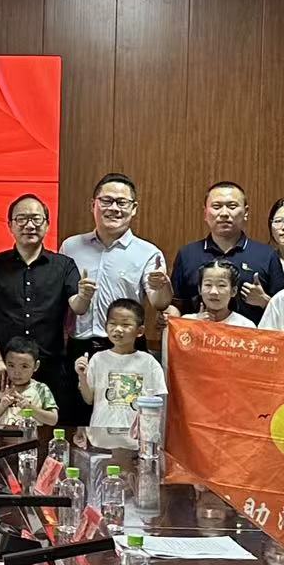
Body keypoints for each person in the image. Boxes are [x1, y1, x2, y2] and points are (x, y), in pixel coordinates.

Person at [58, 173, 174, 424]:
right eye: (106, 201)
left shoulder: (147, 252)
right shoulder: (71, 247)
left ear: (134, 208)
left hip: (126, 350)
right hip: (80, 347)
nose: (114, 208)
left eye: (122, 202)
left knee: (124, 422)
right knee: (77, 424)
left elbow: (159, 302)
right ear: (93, 204)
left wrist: (163, 286)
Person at [0, 193, 84, 407]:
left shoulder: (64, 265)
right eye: (21, 219)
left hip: (50, 366)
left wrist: (85, 295)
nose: (29, 225)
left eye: (36, 219)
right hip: (5, 368)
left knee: (50, 423)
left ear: (47, 224)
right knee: (2, 423)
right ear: (10, 225)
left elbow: (77, 307)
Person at [171, 182, 284, 323]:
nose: (224, 213)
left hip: (251, 335)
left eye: (232, 206)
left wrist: (264, 300)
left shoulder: (267, 255)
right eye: (217, 207)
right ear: (205, 213)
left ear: (246, 212)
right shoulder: (187, 255)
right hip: (199, 335)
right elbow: (176, 305)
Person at [75, 298, 163, 430]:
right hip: (102, 430)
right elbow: (88, 399)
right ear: (106, 327)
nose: (118, 329)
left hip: (137, 433)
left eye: (125, 325)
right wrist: (82, 376)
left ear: (140, 331)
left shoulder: (149, 362)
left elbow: (159, 400)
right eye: (113, 323)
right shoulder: (98, 359)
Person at [0, 335, 58, 427]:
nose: (17, 372)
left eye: (24, 366)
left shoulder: (41, 389)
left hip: (32, 435)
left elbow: (53, 420)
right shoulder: (1, 386)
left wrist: (30, 408)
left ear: (36, 366)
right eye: (11, 365)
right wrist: (1, 406)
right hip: (4, 435)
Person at [184, 260, 257, 328]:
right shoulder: (185, 322)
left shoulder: (246, 326)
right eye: (208, 285)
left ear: (233, 291)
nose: (213, 291)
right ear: (199, 289)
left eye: (221, 285)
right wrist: (196, 326)